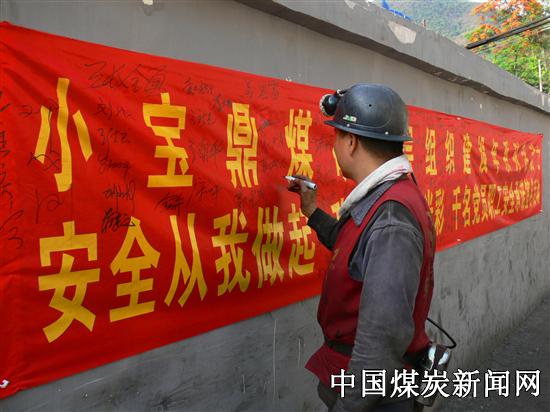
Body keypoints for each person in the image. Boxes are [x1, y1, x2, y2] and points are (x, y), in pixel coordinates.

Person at [287, 83, 435, 412]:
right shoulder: (391, 196)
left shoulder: (391, 218)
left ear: (351, 142)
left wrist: (349, 405)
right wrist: (311, 211)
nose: (335, 147)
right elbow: (354, 249)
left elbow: (381, 340)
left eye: (337, 137)